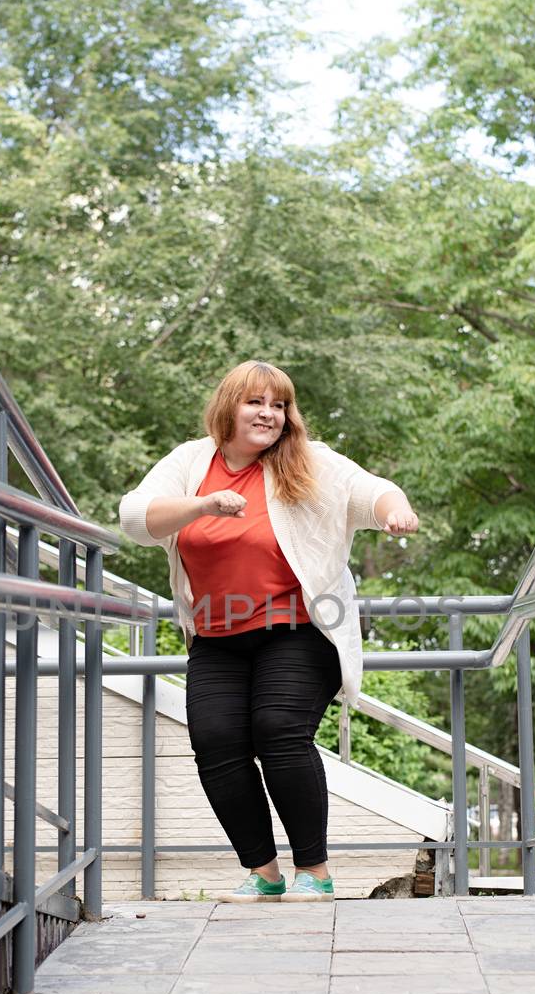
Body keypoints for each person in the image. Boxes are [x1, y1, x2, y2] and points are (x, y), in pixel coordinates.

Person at [119, 360, 419, 902]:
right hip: (216, 636)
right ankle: (264, 873)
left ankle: (316, 873)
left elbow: (370, 490)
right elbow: (136, 518)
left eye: (279, 405)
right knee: (215, 741)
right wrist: (204, 504)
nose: (268, 414)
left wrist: (395, 509)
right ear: (228, 407)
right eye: (256, 402)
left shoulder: (308, 462)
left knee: (278, 728)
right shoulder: (191, 462)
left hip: (299, 628)